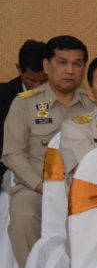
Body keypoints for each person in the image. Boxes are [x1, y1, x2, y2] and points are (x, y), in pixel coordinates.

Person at [2, 35, 94, 268]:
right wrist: (42, 186)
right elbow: (12, 153)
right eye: (62, 62)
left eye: (77, 64)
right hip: (35, 187)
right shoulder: (25, 103)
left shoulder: (93, 105)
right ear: (47, 65)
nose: (69, 70)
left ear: (84, 68)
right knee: (23, 217)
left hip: (83, 189)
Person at [0, 40, 49, 178]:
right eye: (31, 80)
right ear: (19, 69)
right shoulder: (3, 96)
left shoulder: (61, 96)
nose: (38, 87)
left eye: (44, 81)